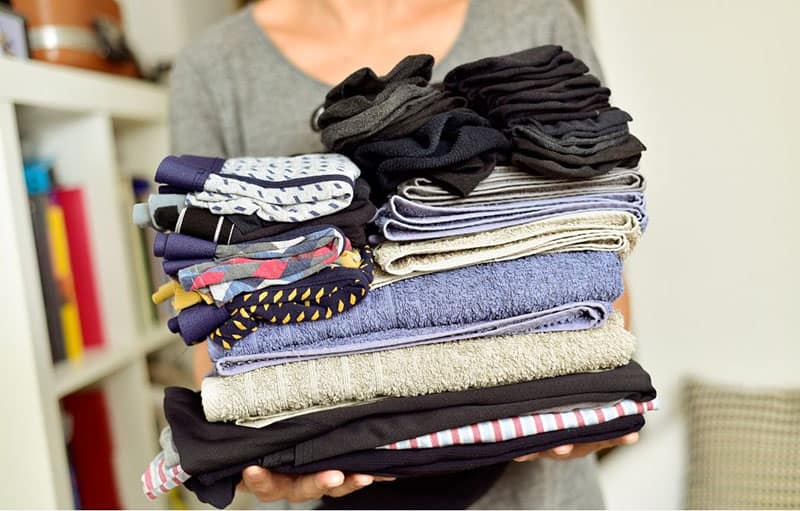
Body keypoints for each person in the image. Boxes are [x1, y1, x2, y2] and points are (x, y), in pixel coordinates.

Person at [169, 0, 637, 507]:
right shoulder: (213, 67)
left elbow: (595, 262)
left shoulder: (536, 18)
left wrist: (594, 396)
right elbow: (211, 317)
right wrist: (254, 447)